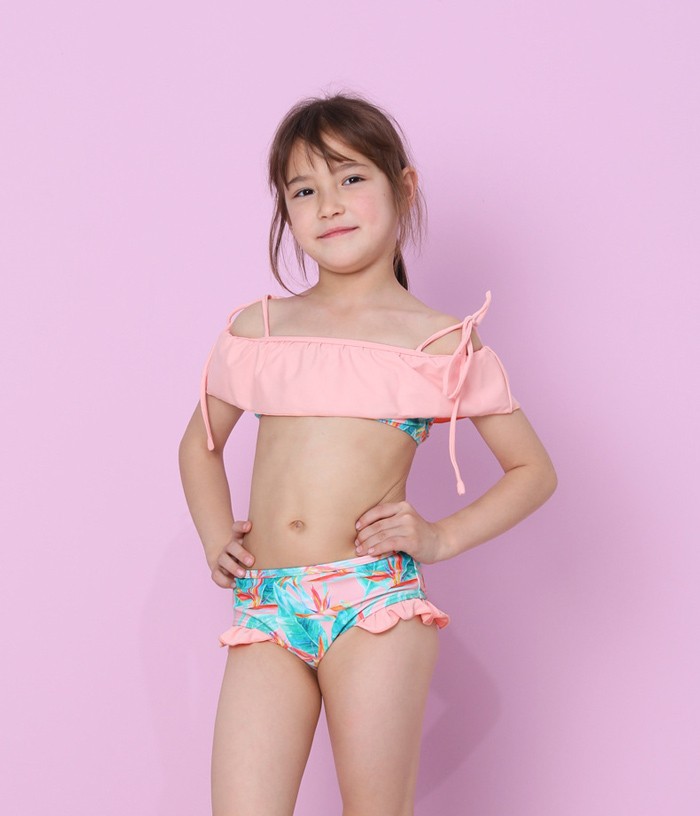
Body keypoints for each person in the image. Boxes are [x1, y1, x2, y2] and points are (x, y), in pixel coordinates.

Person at [179, 91, 557, 816]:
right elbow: (199, 447)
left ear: (402, 187)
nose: (329, 205)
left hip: (373, 604)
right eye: (303, 190)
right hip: (266, 606)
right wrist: (214, 534)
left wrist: (441, 537)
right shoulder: (261, 330)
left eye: (351, 178)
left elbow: (533, 471)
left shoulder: (437, 342)